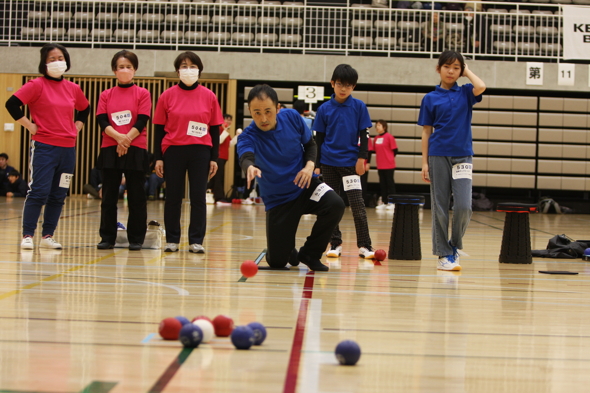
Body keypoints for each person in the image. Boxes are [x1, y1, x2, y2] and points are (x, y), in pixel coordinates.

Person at [237, 84, 345, 271]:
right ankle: (288, 251)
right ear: (249, 111)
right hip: (279, 201)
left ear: (278, 108)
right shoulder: (248, 135)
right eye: (256, 113)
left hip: (305, 185)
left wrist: (309, 166)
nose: (263, 118)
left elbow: (310, 145)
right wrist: (250, 166)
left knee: (335, 204)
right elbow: (246, 157)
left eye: (268, 111)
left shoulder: (293, 118)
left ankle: (309, 254)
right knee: (278, 263)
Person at [5, 43, 89, 250]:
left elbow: (85, 109)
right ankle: (27, 235)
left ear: (66, 61)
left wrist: (77, 126)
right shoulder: (36, 85)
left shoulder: (73, 88)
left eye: (60, 58)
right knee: (39, 191)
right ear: (44, 63)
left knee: (59, 194)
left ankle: (47, 236)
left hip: (68, 149)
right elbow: (11, 104)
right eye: (51, 59)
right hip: (44, 147)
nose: (57, 62)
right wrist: (30, 126)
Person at [418, 50, 485, 271]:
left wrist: (467, 71)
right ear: (439, 69)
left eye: (456, 67)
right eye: (447, 66)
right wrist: (425, 162)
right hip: (438, 154)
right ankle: (443, 254)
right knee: (439, 207)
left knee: (464, 206)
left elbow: (481, 86)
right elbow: (426, 132)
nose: (451, 71)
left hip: (463, 155)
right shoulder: (430, 98)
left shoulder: (466, 92)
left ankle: (454, 245)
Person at [153, 51, 223, 253]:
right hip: (173, 150)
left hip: (200, 151)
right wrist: (158, 157)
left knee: (198, 197)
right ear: (177, 71)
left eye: (193, 66)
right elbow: (158, 128)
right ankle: (172, 239)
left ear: (199, 70)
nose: (188, 70)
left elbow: (215, 128)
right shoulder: (167, 95)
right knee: (173, 197)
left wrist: (214, 158)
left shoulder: (209, 96)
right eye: (184, 66)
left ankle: (196, 240)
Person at [313, 64, 376, 259]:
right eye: (340, 84)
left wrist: (362, 158)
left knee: (357, 205)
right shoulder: (324, 109)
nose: (343, 88)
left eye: (348, 85)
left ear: (353, 87)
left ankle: (365, 245)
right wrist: (316, 164)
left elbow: (364, 135)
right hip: (329, 163)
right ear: (332, 83)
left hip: (351, 164)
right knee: (332, 205)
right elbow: (319, 139)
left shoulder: (359, 107)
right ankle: (334, 243)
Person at [95, 50, 151, 251]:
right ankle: (107, 237)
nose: (125, 70)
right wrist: (119, 138)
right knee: (109, 196)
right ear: (114, 70)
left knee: (137, 196)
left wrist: (126, 139)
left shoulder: (143, 93)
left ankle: (136, 238)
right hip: (110, 146)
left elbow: (142, 120)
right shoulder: (106, 94)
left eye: (129, 66)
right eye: (121, 67)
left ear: (134, 70)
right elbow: (102, 120)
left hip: (135, 147)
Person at [371, 120, 398, 210]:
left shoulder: (389, 137)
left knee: (390, 184)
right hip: (380, 165)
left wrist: (389, 158)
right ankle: (384, 202)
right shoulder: (376, 138)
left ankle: (392, 202)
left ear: (384, 127)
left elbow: (395, 150)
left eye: (379, 125)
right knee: (382, 184)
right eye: (376, 126)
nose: (377, 127)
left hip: (389, 165)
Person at [208, 113, 233, 204]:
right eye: (226, 119)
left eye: (230, 120)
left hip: (224, 157)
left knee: (215, 178)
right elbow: (219, 141)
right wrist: (225, 130)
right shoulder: (220, 129)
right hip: (219, 156)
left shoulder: (225, 131)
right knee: (218, 177)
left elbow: (230, 144)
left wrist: (239, 137)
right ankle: (219, 197)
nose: (228, 121)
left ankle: (210, 194)